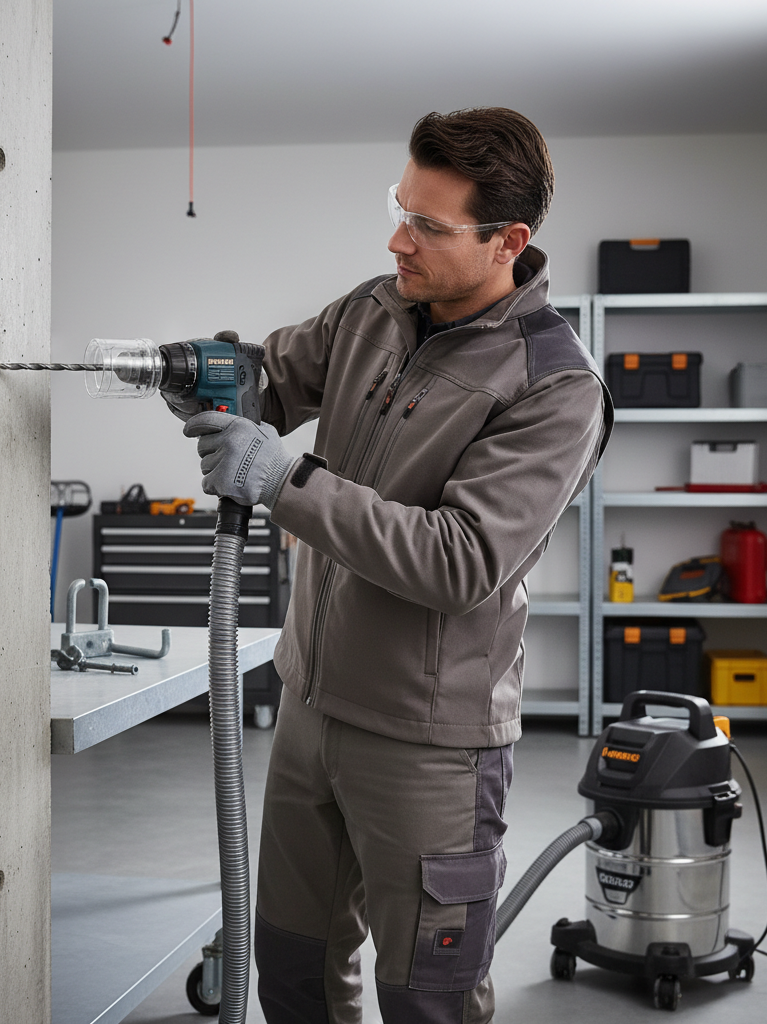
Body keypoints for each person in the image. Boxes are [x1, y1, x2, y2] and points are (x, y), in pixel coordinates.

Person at [173, 107, 613, 1024]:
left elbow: (461, 560)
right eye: (399, 207)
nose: (397, 238)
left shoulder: (554, 386)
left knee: (427, 1001)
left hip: (428, 747)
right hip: (310, 705)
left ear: (509, 241)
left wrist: (283, 481)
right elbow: (274, 376)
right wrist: (208, 370)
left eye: (428, 225)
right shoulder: (376, 307)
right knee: (291, 972)